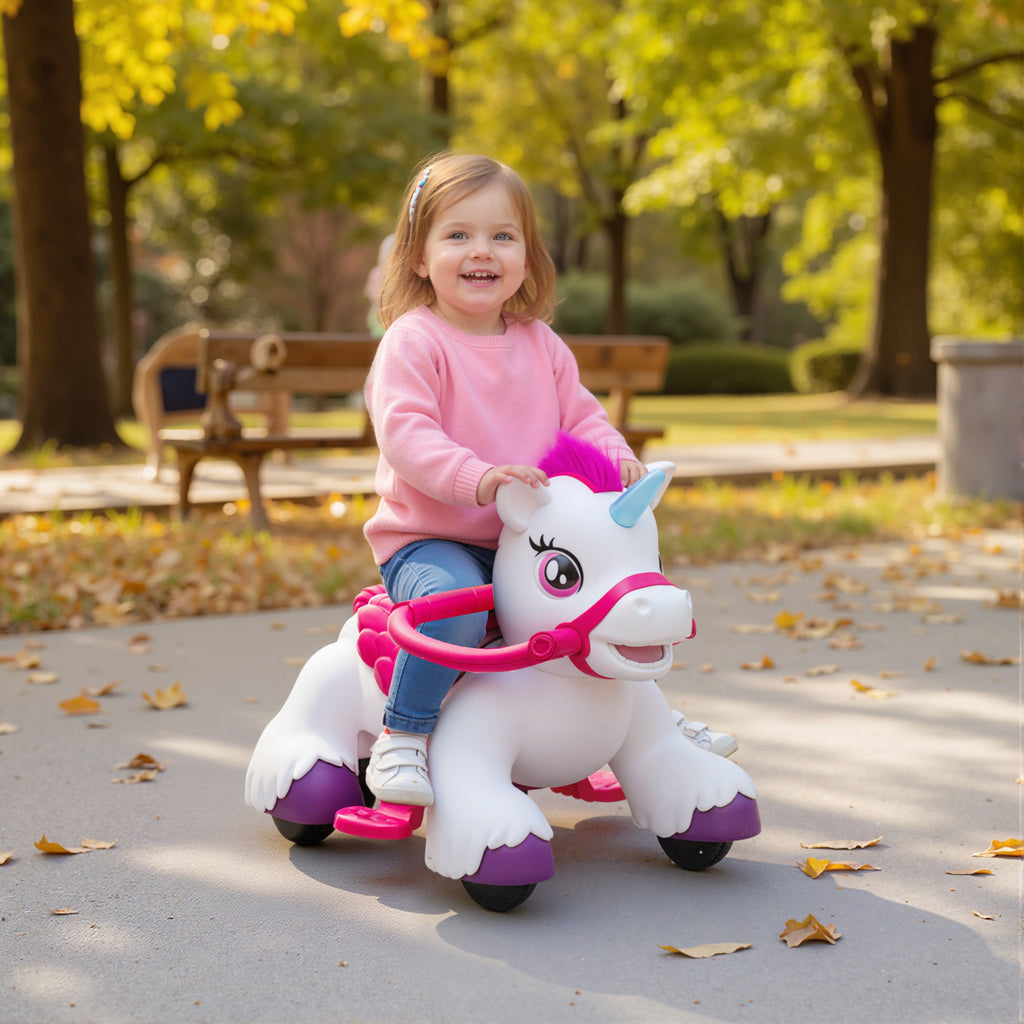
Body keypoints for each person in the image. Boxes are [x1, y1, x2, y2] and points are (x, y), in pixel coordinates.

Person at [362, 153, 733, 807]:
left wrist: (616, 460)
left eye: (502, 236)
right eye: (458, 235)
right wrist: (477, 478)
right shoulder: (414, 341)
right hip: (437, 537)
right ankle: (404, 734)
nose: (482, 251)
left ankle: (649, 722)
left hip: (536, 543)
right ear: (420, 256)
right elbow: (407, 435)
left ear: (527, 258)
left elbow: (582, 418)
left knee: (613, 599)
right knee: (452, 607)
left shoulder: (539, 343)